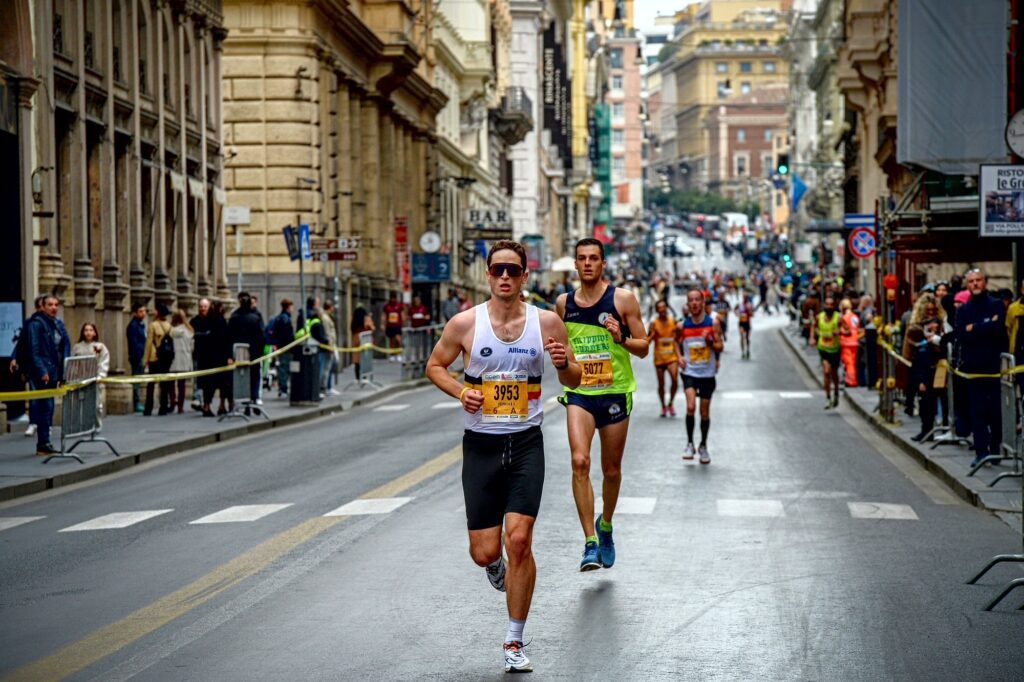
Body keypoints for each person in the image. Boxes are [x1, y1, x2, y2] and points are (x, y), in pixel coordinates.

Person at [425, 239, 580, 674]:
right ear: (488, 275)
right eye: (498, 271)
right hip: (481, 446)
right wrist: (462, 391)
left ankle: (514, 639)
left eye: (514, 270)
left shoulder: (547, 322)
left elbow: (575, 377)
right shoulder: (464, 324)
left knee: (520, 540)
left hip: (527, 441)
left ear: (525, 275)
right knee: (485, 550)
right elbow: (435, 365)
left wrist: (564, 361)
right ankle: (493, 566)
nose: (506, 277)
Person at [556, 237, 648, 571]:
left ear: (603, 263)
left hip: (614, 392)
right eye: (582, 258)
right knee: (579, 462)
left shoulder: (623, 299)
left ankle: (605, 524)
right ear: (576, 264)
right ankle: (589, 543)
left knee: (611, 470)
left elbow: (643, 347)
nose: (588, 264)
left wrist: (620, 337)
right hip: (580, 393)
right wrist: (561, 362)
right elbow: (564, 351)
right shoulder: (563, 304)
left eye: (594, 258)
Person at [955, 269, 1006, 467]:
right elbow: (961, 334)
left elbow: (998, 329)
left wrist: (974, 328)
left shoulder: (995, 304)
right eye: (971, 281)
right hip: (973, 368)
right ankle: (981, 452)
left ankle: (995, 449)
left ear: (985, 282)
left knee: (995, 412)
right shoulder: (964, 310)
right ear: (967, 285)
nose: (975, 284)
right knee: (977, 412)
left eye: (978, 280)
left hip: (994, 367)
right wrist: (984, 326)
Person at [679, 289, 724, 463]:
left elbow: (720, 346)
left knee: (704, 411)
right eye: (691, 300)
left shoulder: (713, 323)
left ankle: (703, 445)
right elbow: (677, 343)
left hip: (707, 373)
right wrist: (679, 357)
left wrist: (711, 342)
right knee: (691, 407)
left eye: (698, 300)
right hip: (690, 372)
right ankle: (690, 443)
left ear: (703, 302)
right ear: (688, 304)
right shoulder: (682, 326)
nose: (695, 303)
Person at [24, 295, 71, 455]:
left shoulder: (56, 324)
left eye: (56, 304)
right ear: (42, 307)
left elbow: (64, 346)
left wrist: (63, 372)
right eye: (50, 304)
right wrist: (42, 370)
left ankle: (44, 443)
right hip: (42, 372)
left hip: (53, 371)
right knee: (44, 406)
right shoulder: (36, 324)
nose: (54, 307)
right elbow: (34, 350)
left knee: (48, 407)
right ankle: (43, 443)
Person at [191, 298, 232, 417]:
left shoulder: (205, 321)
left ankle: (207, 405)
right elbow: (226, 340)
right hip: (219, 358)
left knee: (208, 384)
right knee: (223, 383)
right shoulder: (221, 321)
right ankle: (222, 405)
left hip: (206, 358)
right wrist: (229, 356)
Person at [229, 292, 266, 406]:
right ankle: (254, 398)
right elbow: (261, 337)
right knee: (254, 376)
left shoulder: (234, 318)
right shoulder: (255, 318)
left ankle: (243, 399)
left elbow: (229, 337)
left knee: (240, 375)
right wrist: (260, 352)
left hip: (238, 353)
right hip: (253, 353)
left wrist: (230, 355)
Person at [71, 322, 110, 425]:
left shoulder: (100, 347)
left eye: (90, 330)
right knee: (82, 403)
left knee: (97, 404)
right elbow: (73, 364)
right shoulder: (77, 347)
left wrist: (101, 375)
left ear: (95, 332)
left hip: (95, 380)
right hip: (81, 380)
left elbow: (103, 362)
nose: (88, 332)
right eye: (86, 330)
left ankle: (96, 424)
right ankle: (83, 424)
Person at [647, 299, 680, 417]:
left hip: (672, 357)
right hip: (659, 358)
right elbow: (647, 342)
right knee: (661, 384)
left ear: (667, 308)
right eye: (659, 308)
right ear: (657, 310)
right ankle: (663, 406)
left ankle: (671, 403)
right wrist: (651, 334)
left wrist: (680, 356)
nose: (662, 310)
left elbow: (678, 339)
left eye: (663, 307)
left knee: (675, 380)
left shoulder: (673, 322)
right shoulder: (654, 323)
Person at [143, 303, 174, 416]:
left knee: (151, 384)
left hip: (155, 357)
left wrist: (145, 360)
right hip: (166, 358)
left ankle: (148, 408)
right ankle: (163, 407)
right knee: (164, 383)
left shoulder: (153, 325)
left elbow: (149, 343)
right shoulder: (169, 326)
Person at [812, 295, 841, 410]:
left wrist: (838, 332)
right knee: (826, 371)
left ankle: (836, 393)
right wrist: (812, 337)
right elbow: (813, 326)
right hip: (823, 348)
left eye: (831, 304)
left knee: (834, 373)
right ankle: (828, 397)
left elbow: (846, 329)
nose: (828, 306)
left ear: (834, 306)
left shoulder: (838, 318)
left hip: (835, 349)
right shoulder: (819, 317)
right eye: (827, 304)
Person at [266, 298, 296, 397]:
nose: (293, 309)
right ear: (288, 307)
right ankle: (283, 389)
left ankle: (283, 388)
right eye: (291, 307)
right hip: (286, 347)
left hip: (281, 347)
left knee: (283, 368)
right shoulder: (285, 319)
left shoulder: (280, 317)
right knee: (284, 368)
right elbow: (287, 335)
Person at [167, 311, 194, 414]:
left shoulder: (172, 331)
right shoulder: (189, 330)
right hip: (185, 359)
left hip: (174, 359)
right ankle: (181, 407)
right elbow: (192, 347)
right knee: (181, 385)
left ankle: (173, 401)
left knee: (171, 383)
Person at [127, 303, 148, 413]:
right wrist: (137, 354)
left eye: (144, 311)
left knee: (139, 379)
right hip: (136, 356)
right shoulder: (133, 325)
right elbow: (134, 343)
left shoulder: (141, 324)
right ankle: (136, 402)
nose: (143, 313)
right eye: (140, 311)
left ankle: (138, 401)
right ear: (135, 313)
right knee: (136, 379)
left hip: (141, 354)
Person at [349, 304, 375, 382]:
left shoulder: (353, 318)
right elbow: (371, 327)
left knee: (357, 360)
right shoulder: (366, 317)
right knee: (365, 358)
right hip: (364, 340)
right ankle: (364, 377)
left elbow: (351, 327)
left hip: (355, 339)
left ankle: (357, 377)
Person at [839, 298, 861, 388]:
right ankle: (853, 379)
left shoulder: (844, 318)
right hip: (855, 341)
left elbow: (845, 331)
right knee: (853, 362)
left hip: (846, 342)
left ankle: (851, 381)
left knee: (849, 363)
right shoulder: (855, 317)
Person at [320, 300, 340, 395]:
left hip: (331, 345)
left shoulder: (328, 317)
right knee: (326, 368)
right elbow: (328, 333)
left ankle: (328, 386)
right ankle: (324, 387)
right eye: (332, 307)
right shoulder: (325, 318)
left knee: (330, 367)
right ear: (329, 307)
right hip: (329, 346)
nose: (334, 309)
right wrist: (330, 346)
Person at [383, 293, 404, 362]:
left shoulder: (399, 306)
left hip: (397, 326)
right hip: (390, 326)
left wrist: (403, 323)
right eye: (392, 298)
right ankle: (392, 355)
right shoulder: (387, 306)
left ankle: (398, 354)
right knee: (392, 341)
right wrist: (383, 324)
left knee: (398, 339)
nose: (393, 300)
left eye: (394, 298)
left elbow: (402, 314)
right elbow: (384, 315)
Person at [735, 294, 754, 360]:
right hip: (741, 323)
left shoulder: (749, 305)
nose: (745, 299)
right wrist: (737, 314)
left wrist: (749, 311)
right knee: (742, 337)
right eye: (744, 297)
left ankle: (748, 350)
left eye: (746, 297)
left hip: (747, 323)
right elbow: (735, 309)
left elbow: (752, 314)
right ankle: (743, 352)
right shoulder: (740, 305)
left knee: (747, 338)